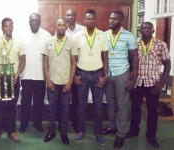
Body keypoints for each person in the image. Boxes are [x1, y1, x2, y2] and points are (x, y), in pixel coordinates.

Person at [126, 22, 171, 148]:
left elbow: (167, 64)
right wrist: (130, 79)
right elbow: (129, 62)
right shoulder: (134, 43)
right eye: (143, 28)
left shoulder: (161, 45)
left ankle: (151, 135)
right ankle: (134, 130)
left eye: (148, 28)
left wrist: (161, 83)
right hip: (137, 82)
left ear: (153, 30)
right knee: (135, 108)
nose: (145, 30)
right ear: (140, 30)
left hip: (153, 83)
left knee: (153, 111)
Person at [103, 10, 138, 149]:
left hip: (122, 73)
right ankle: (112, 126)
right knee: (110, 103)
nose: (111, 21)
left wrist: (133, 78)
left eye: (114, 19)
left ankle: (121, 133)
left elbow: (135, 57)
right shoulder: (104, 35)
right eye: (110, 18)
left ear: (121, 21)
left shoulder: (129, 36)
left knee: (122, 105)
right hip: (108, 73)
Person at [0, 17, 26, 144]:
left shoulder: (19, 43)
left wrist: (18, 73)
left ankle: (11, 131)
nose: (8, 28)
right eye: (6, 26)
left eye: (10, 26)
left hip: (13, 79)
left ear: (13, 27)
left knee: (11, 106)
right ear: (2, 27)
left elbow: (23, 60)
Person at [73, 9, 108, 145]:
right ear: (84, 20)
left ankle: (99, 133)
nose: (90, 21)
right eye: (87, 19)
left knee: (98, 106)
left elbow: (105, 58)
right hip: (82, 74)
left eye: (92, 19)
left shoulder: (102, 35)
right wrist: (75, 75)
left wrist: (105, 76)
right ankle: (81, 131)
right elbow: (74, 59)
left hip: (98, 74)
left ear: (96, 20)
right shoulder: (77, 36)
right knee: (81, 105)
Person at [42, 17, 77, 145]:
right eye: (59, 25)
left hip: (65, 83)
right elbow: (45, 62)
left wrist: (69, 82)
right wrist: (48, 80)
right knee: (52, 109)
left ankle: (63, 132)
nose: (61, 27)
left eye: (63, 25)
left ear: (66, 26)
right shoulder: (48, 41)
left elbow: (74, 62)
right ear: (55, 26)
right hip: (52, 82)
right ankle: (51, 132)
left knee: (65, 109)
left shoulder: (72, 42)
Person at [18, 13, 51, 133]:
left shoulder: (47, 35)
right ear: (29, 22)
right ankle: (23, 123)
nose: (34, 23)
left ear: (40, 21)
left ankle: (38, 123)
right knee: (25, 101)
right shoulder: (22, 35)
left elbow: (49, 56)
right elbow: (19, 56)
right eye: (31, 21)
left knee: (39, 101)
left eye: (36, 21)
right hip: (26, 74)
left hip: (41, 75)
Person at [65, 8, 85, 133]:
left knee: (78, 100)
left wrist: (77, 74)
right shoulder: (61, 31)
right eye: (68, 15)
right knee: (65, 99)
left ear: (76, 16)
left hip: (79, 70)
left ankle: (77, 124)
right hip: (65, 71)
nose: (70, 17)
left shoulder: (83, 30)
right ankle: (64, 124)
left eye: (72, 14)